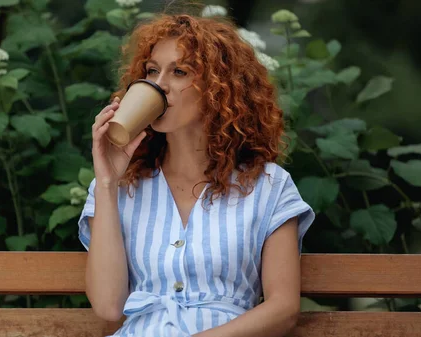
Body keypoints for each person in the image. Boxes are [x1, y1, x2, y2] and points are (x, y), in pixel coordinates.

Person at [78, 12, 315, 337]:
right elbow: (108, 306)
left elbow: (283, 310)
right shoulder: (117, 186)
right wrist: (106, 181)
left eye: (179, 71)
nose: (158, 85)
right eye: (151, 71)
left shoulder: (269, 187)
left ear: (219, 88)